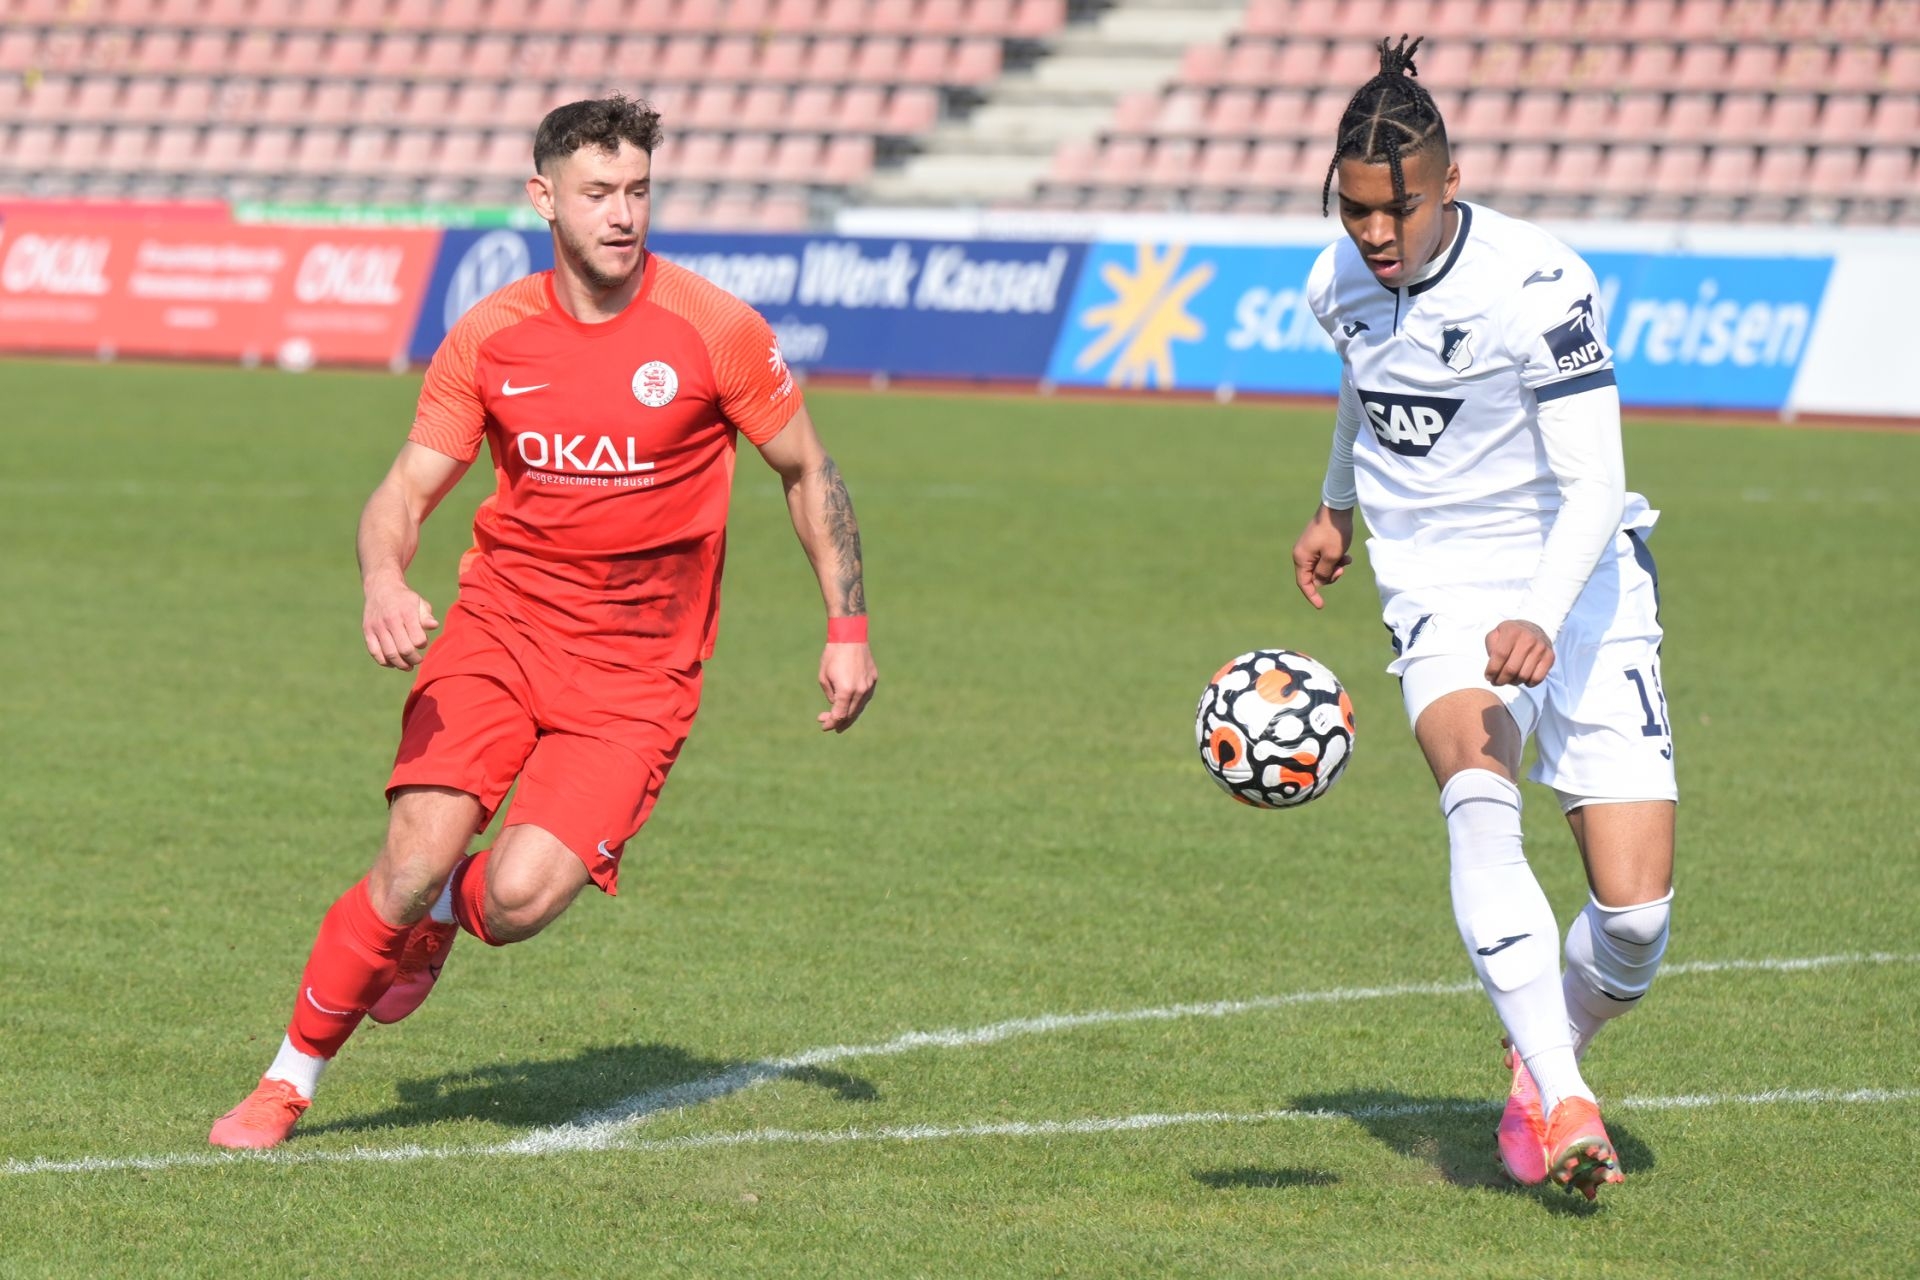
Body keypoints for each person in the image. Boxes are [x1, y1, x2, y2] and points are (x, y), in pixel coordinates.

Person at [210, 96, 878, 1149]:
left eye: (639, 191)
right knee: (411, 854)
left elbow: (806, 467)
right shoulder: (492, 334)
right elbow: (403, 491)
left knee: (515, 897)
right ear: (543, 199)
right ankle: (287, 1080)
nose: (623, 214)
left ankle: (441, 923)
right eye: (598, 193)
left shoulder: (715, 329)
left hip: (636, 677)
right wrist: (384, 578)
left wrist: (848, 627)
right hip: (500, 634)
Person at [1291, 38, 1675, 1201]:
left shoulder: (1541, 284)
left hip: (1581, 578)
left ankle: (1540, 1042)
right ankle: (1564, 1097)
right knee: (1476, 783)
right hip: (1440, 587)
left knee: (1637, 921)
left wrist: (1545, 612)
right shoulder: (1335, 283)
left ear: (1448, 183)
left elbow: (1596, 482)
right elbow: (1363, 389)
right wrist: (1335, 507)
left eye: (1392, 209)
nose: (1371, 234)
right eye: (1352, 210)